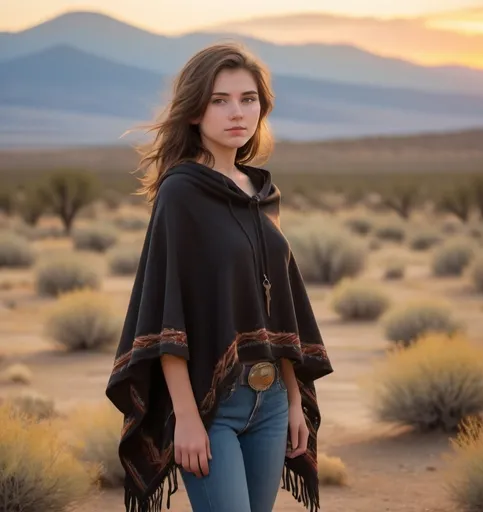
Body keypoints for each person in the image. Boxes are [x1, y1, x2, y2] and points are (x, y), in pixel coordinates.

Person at [105, 41, 334, 512]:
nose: (237, 112)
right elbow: (167, 313)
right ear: (194, 112)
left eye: (248, 99)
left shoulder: (262, 192)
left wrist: (294, 401)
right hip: (212, 406)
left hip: (271, 401)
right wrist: (186, 418)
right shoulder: (181, 192)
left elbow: (278, 310)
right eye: (220, 100)